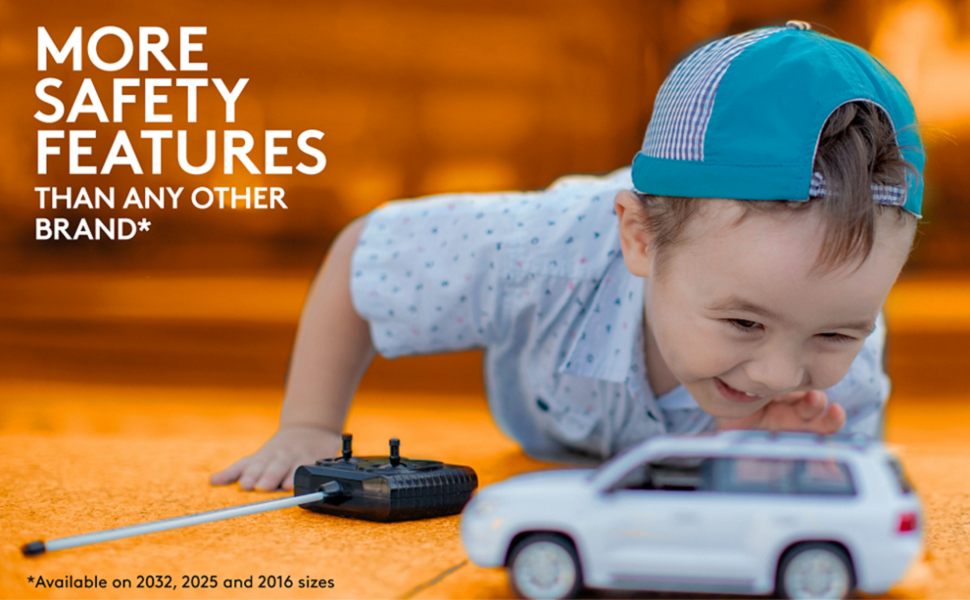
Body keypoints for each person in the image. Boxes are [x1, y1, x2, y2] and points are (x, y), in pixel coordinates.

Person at [212, 23, 924, 491]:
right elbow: (361, 255)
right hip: (546, 419)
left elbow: (838, 518)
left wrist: (774, 468)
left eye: (835, 332)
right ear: (639, 239)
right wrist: (308, 424)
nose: (779, 372)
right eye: (742, 323)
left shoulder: (838, 377)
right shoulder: (540, 252)